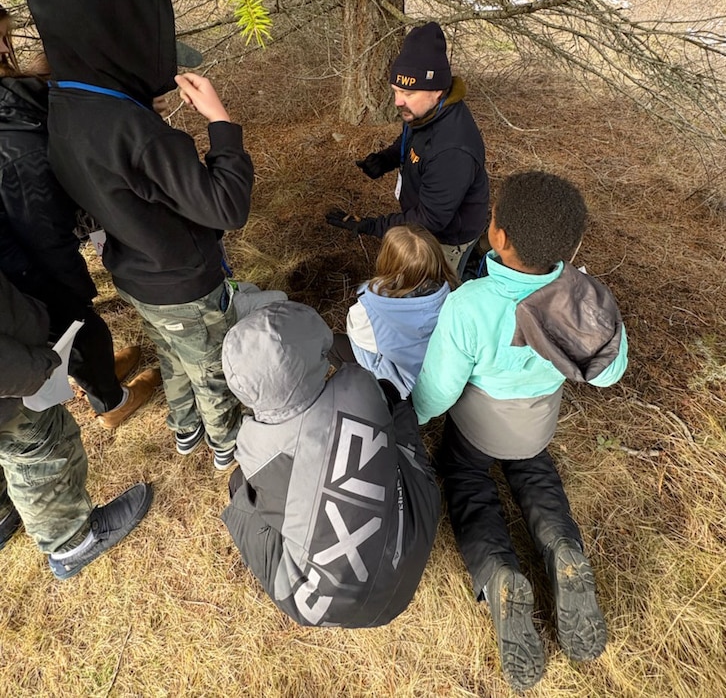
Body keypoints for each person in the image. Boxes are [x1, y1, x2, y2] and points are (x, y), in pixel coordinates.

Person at [26, 0, 255, 470]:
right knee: (211, 367)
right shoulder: (138, 133)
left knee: (174, 356)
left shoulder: (61, 101)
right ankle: (226, 446)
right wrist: (221, 124)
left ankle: (184, 429)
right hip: (185, 283)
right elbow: (226, 207)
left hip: (135, 273)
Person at [412, 171, 628, 691]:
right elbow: (612, 372)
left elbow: (439, 391)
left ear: (498, 236)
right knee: (535, 473)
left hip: (476, 430)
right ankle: (563, 550)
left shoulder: (470, 305)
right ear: (570, 245)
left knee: (467, 484)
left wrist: (411, 418)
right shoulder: (583, 299)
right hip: (536, 427)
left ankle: (500, 575)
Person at [220, 301, 441, 627]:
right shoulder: (360, 384)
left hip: (325, 608)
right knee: (395, 408)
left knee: (241, 489)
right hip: (415, 535)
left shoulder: (254, 448)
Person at [0, 5, 160, 428]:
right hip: (27, 259)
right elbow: (38, 218)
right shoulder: (12, 145)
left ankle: (100, 370)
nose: (6, 50)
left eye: (6, 37)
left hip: (32, 245)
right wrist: (69, 279)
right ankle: (110, 400)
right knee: (77, 326)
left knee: (77, 325)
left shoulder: (15, 98)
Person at [0, 270, 152, 579]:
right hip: (12, 384)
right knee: (40, 452)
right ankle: (73, 544)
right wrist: (36, 370)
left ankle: (3, 516)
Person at [325, 21, 488, 277]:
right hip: (424, 218)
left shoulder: (453, 150)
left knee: (430, 293)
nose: (398, 101)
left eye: (407, 93)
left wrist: (372, 226)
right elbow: (411, 139)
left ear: (437, 91)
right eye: (396, 91)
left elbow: (429, 220)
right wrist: (386, 159)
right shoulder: (425, 112)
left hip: (444, 239)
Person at [328, 223, 459, 399]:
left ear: (386, 260)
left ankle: (363, 395)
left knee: (332, 345)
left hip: (399, 391)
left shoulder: (368, 309)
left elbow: (358, 339)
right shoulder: (454, 293)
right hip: (436, 383)